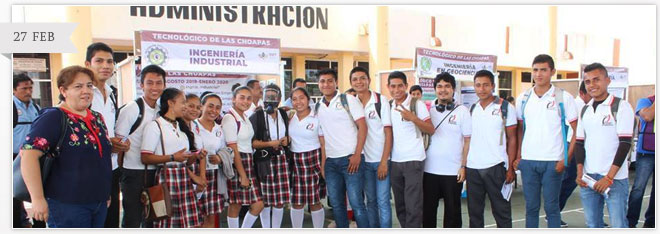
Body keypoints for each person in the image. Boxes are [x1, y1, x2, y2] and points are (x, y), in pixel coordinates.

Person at [21, 66, 112, 228]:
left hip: (98, 202)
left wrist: (105, 192)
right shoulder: (53, 117)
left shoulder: (97, 118)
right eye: (78, 86)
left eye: (89, 86)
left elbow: (101, 157)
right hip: (67, 205)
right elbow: (28, 156)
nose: (86, 91)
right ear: (63, 91)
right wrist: (37, 198)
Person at [513, 54, 578, 228]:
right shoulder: (523, 98)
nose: (539, 74)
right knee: (531, 208)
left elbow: (577, 131)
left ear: (552, 72)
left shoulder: (563, 97)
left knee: (552, 208)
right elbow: (520, 130)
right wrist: (519, 157)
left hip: (553, 162)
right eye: (535, 70)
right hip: (528, 161)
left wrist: (566, 159)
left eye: (543, 70)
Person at [575, 62, 634, 228]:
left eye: (596, 80)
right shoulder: (585, 110)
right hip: (589, 179)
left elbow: (624, 144)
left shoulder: (621, 107)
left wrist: (608, 178)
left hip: (614, 180)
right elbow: (579, 143)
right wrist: (580, 172)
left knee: (618, 225)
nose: (592, 85)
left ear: (607, 80)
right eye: (587, 82)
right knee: (593, 224)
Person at [141, 88, 205, 228]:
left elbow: (185, 161)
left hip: (183, 178)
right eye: (183, 102)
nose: (185, 106)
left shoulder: (181, 127)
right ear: (170, 103)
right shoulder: (155, 126)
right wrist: (172, 157)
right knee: (167, 222)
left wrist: (195, 156)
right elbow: (145, 157)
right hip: (166, 179)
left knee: (187, 224)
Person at [315, 69, 369, 228]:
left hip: (350, 159)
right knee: (337, 205)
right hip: (331, 163)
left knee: (356, 203)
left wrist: (357, 154)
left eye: (330, 81)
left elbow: (363, 127)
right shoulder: (318, 106)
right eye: (323, 81)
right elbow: (323, 140)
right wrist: (324, 164)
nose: (326, 84)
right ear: (319, 84)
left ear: (336, 82)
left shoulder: (348, 100)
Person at [84, 42, 129, 228]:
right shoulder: (83, 94)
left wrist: (117, 143)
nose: (106, 66)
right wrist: (107, 143)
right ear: (88, 64)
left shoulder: (111, 93)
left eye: (110, 61)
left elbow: (108, 130)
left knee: (110, 222)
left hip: (110, 168)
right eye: (99, 61)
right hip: (88, 170)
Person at [115, 64, 166, 228]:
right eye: (150, 83)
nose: (154, 87)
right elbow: (118, 140)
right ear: (141, 85)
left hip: (156, 173)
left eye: (159, 83)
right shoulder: (132, 109)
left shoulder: (161, 110)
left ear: (164, 85)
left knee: (153, 218)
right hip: (133, 174)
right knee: (133, 219)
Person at [466, 70, 517, 228]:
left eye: (486, 85)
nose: (481, 89)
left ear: (493, 86)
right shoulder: (473, 108)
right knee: (474, 214)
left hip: (496, 167)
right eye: (478, 85)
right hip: (473, 168)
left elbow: (513, 138)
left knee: (501, 212)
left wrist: (510, 168)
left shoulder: (505, 107)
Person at [423, 72, 471, 228]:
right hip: (429, 170)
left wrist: (463, 166)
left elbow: (467, 140)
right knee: (428, 212)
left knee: (453, 214)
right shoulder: (427, 109)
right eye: (439, 86)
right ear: (435, 89)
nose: (443, 90)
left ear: (453, 89)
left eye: (447, 86)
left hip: (453, 171)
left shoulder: (462, 111)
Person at [387, 71, 434, 228]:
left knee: (413, 205)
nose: (397, 89)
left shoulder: (417, 104)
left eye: (400, 85)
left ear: (406, 86)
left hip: (414, 160)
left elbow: (430, 129)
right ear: (388, 87)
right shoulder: (389, 105)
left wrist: (413, 118)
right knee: (400, 205)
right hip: (395, 161)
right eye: (393, 86)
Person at [350, 67, 393, 228]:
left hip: (381, 160)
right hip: (364, 162)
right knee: (371, 201)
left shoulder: (381, 101)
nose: (359, 82)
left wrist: (383, 162)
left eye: (362, 78)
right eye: (355, 79)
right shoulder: (351, 103)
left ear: (368, 80)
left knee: (383, 202)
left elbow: (388, 133)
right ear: (351, 83)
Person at [249, 84, 291, 228]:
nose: (270, 99)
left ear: (279, 98)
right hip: (264, 161)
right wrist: (269, 143)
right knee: (265, 201)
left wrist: (288, 140)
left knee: (279, 202)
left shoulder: (284, 114)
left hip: (281, 160)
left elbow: (289, 136)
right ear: (263, 97)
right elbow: (252, 143)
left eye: (274, 96)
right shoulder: (257, 116)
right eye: (267, 96)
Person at [222, 86, 264, 228]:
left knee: (255, 204)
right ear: (233, 99)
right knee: (236, 204)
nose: (245, 101)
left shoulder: (245, 117)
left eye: (249, 98)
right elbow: (233, 147)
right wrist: (242, 174)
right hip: (237, 162)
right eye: (242, 97)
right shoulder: (229, 118)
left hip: (247, 161)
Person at [288, 87, 327, 228]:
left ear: (308, 99)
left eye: (301, 98)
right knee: (296, 202)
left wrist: (323, 166)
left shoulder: (317, 117)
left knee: (314, 201)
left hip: (313, 160)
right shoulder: (290, 117)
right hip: (295, 162)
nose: (298, 102)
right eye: (294, 99)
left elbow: (323, 144)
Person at [556, 80, 592, 227]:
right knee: (568, 182)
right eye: (589, 93)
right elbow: (573, 131)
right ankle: (554, 211)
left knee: (587, 183)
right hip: (575, 147)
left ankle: (595, 217)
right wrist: (568, 155)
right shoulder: (577, 105)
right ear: (582, 93)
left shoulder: (590, 106)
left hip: (586, 148)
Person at [193, 92, 227, 228]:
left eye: (217, 108)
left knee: (211, 217)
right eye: (210, 106)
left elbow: (225, 149)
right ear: (201, 107)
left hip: (214, 176)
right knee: (195, 217)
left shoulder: (219, 129)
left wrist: (220, 157)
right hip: (196, 176)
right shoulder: (193, 126)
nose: (214, 111)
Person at [13, 73, 41, 228]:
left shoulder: (35, 107)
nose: (29, 92)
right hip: (14, 157)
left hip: (32, 157)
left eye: (31, 88)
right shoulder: (9, 106)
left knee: (35, 192)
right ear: (13, 90)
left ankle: (38, 225)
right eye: (24, 88)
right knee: (15, 195)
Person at [627, 92, 655, 228]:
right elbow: (648, 116)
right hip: (646, 153)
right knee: (639, 188)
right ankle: (630, 223)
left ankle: (651, 223)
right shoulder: (645, 101)